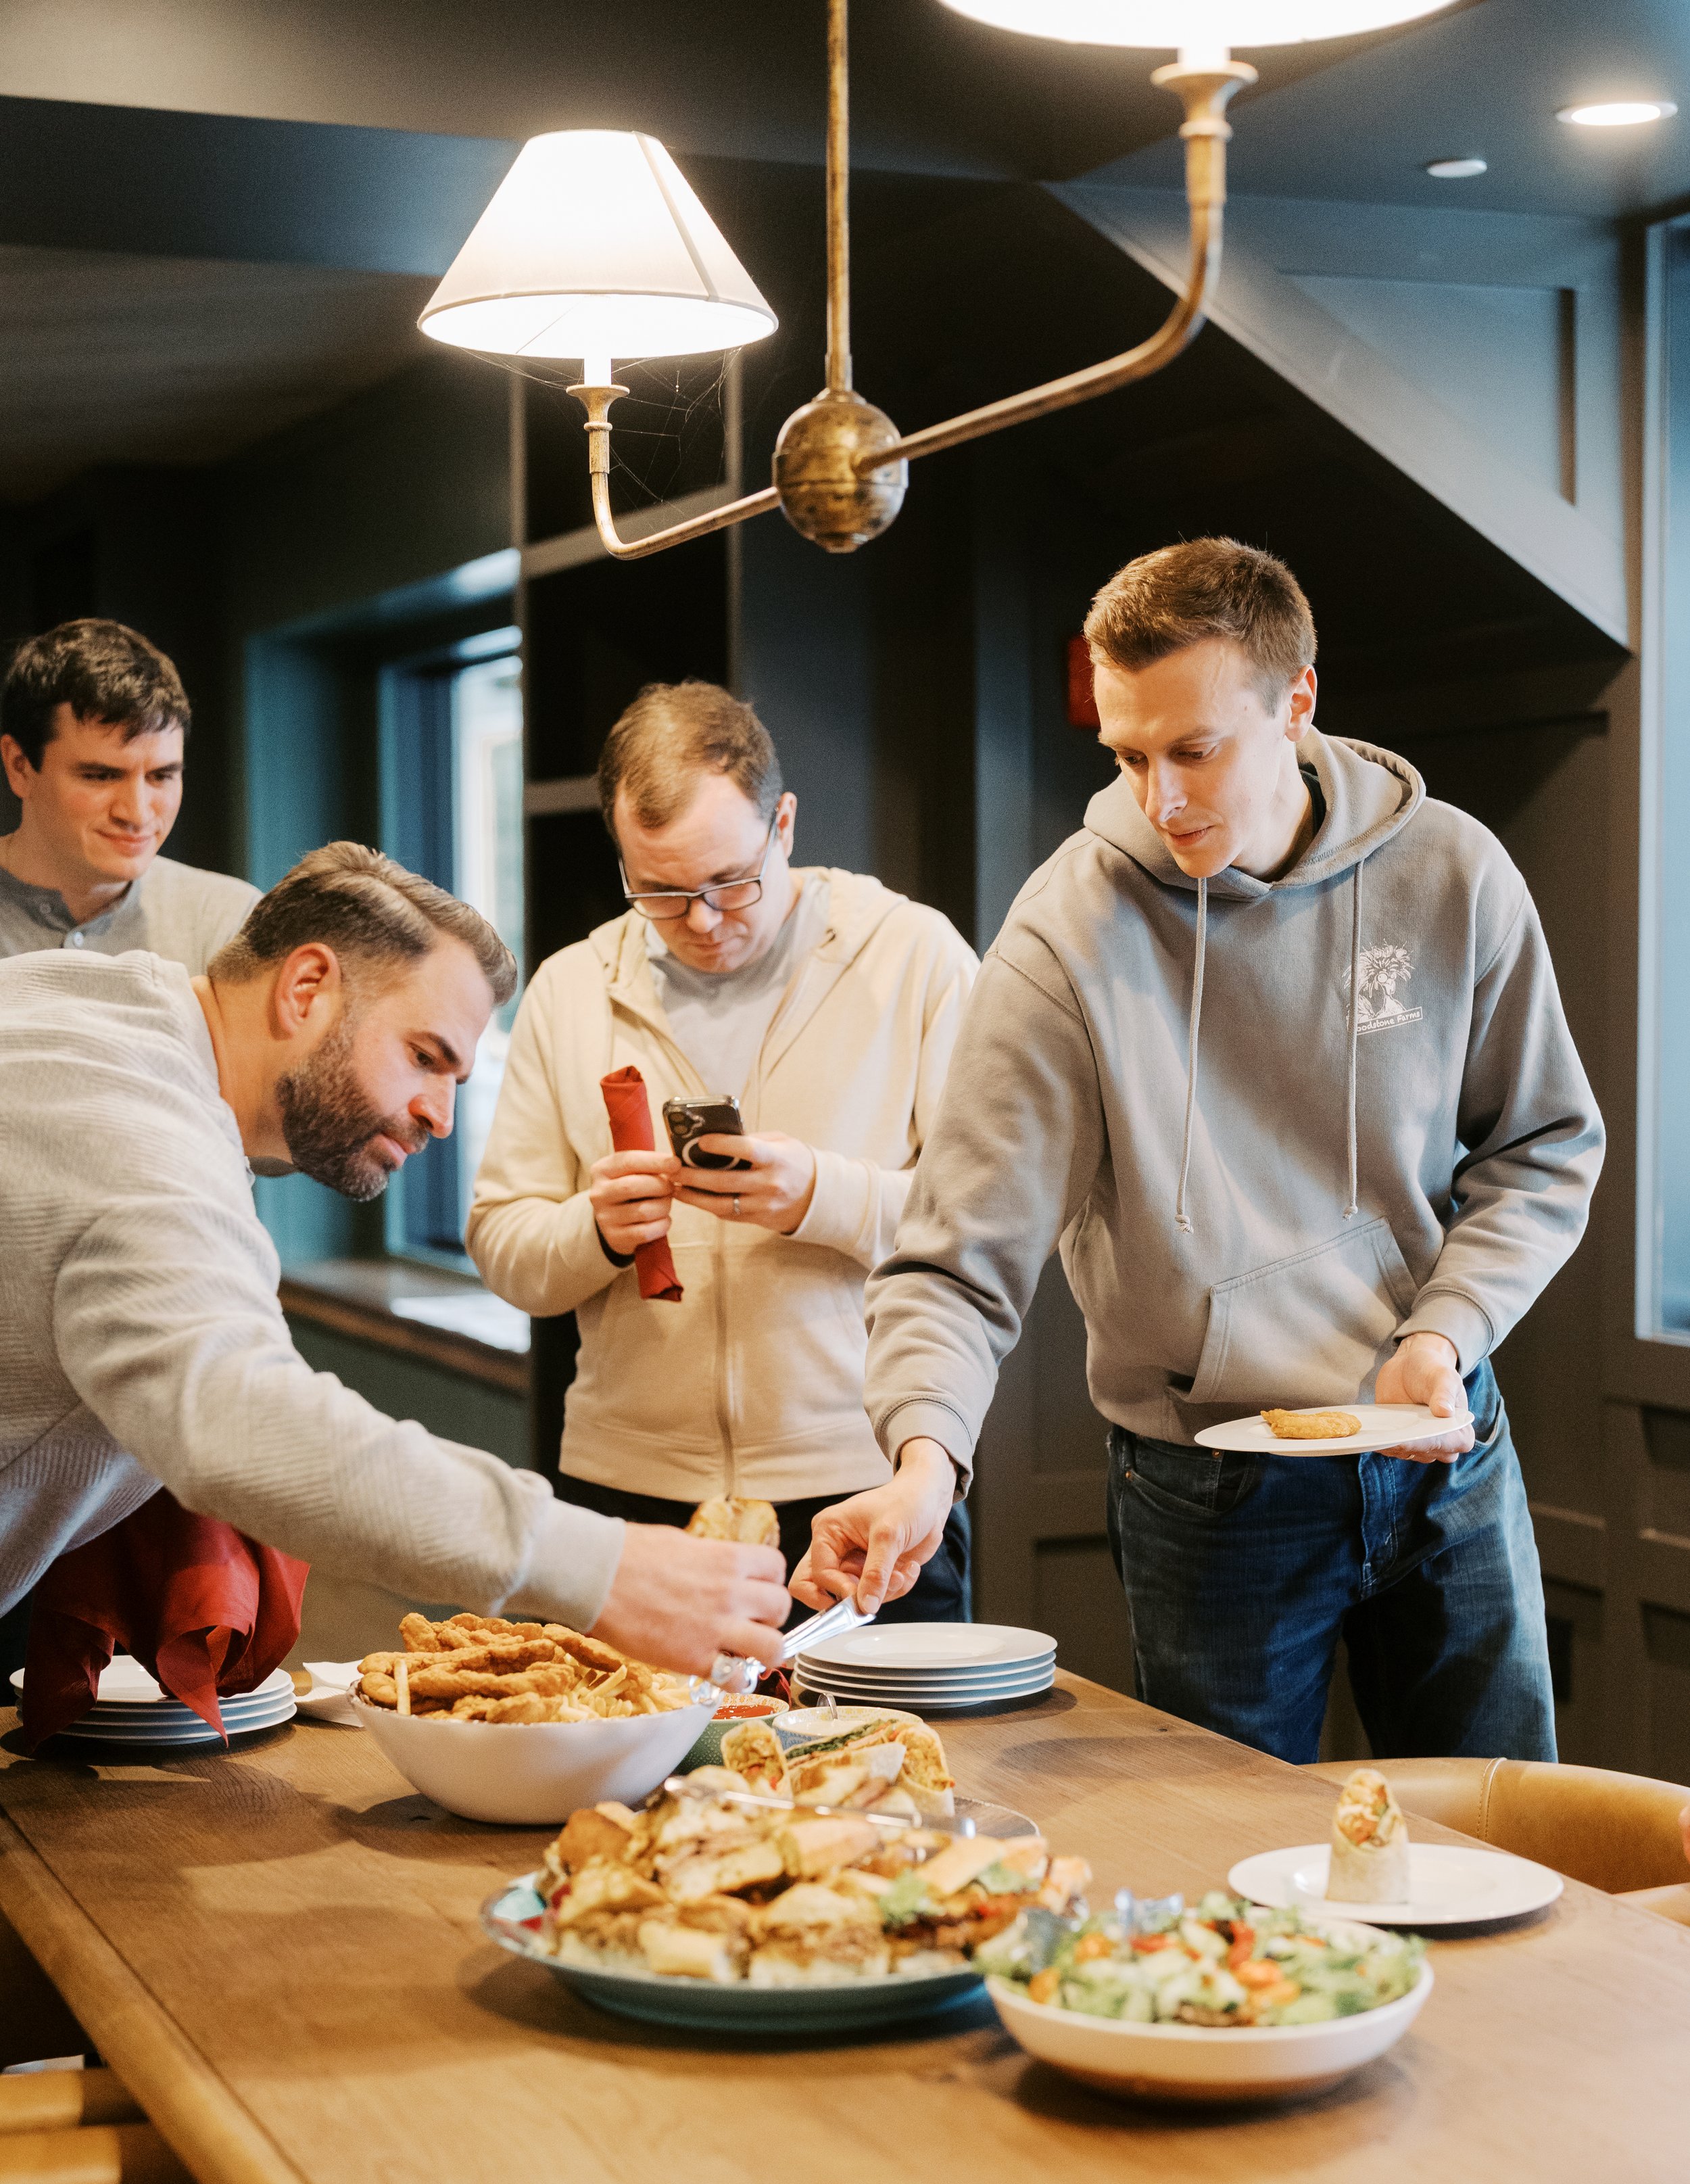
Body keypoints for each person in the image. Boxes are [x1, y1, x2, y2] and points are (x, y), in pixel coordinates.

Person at [795, 538, 1604, 1765]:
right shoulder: (1069, 931)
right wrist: (923, 1461)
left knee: (1514, 1844)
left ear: (1297, 704)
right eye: (1127, 756)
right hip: (1210, 1493)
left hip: (1444, 1445)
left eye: (1193, 749)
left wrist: (1443, 1335)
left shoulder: (1454, 872)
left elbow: (1543, 1148)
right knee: (1231, 1879)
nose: (1159, 798)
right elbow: (958, 1256)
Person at [0, 842, 787, 1686]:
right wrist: (603, 1568)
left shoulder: (99, 1014)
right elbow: (241, 1415)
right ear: (306, 988)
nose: (440, 1117)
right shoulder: (131, 1124)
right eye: (424, 1056)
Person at [467, 681, 978, 1618]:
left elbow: (990, 1222)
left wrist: (823, 1194)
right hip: (629, 1487)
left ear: (784, 822)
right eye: (660, 890)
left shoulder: (913, 957)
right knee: (635, 1764)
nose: (703, 920)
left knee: (888, 1761)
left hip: (866, 1473)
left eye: (731, 882)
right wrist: (597, 1231)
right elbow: (504, 1245)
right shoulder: (571, 988)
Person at [0, 618, 257, 967]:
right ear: (20, 766)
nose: (136, 814)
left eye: (162, 776)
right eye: (100, 776)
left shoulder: (229, 923)